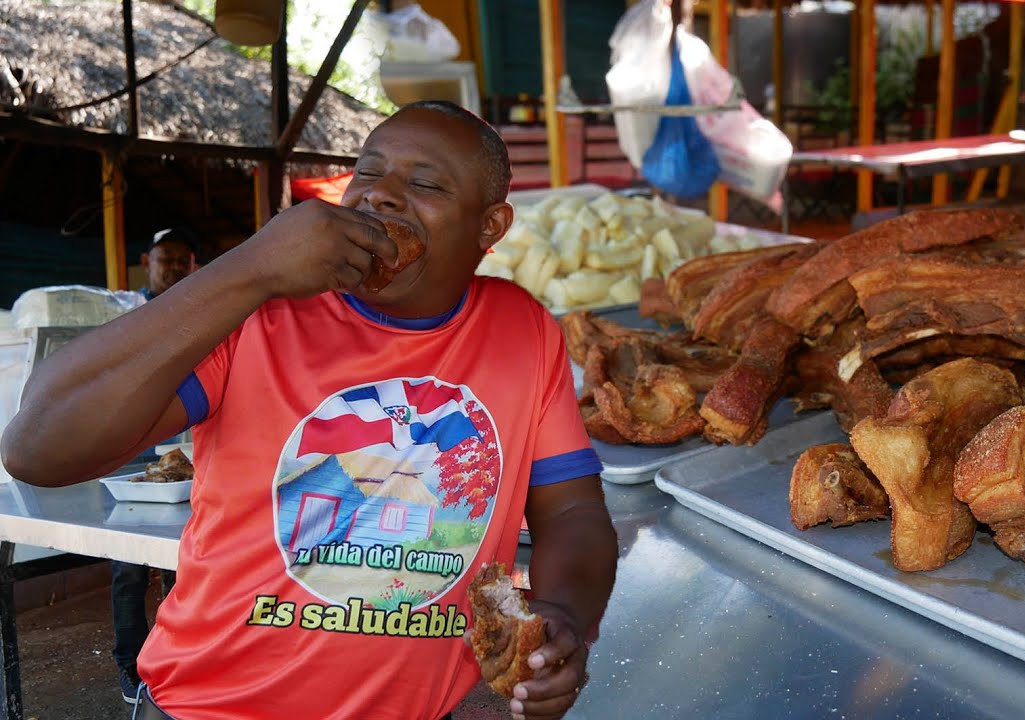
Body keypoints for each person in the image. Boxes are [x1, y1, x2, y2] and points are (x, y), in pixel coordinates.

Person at [1, 101, 619, 720]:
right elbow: (37, 448)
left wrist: (563, 617)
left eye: (425, 183)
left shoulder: (522, 331)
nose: (382, 197)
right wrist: (250, 269)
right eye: (368, 173)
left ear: (491, 226)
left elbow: (571, 510)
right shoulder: (260, 314)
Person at [112, 226, 199, 705]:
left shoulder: (205, 312)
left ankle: (172, 663)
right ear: (146, 261)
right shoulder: (127, 315)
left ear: (193, 265)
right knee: (128, 567)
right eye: (165, 259)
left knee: (183, 565)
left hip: (187, 456)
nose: (173, 267)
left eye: (182, 260)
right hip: (135, 453)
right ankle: (128, 662)